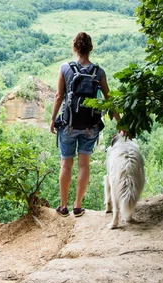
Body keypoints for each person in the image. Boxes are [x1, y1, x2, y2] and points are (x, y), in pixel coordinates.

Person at [49, 31, 121, 217]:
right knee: (84, 165)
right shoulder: (99, 72)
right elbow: (108, 98)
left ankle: (63, 207)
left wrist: (52, 119)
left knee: (66, 165)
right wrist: (121, 122)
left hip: (69, 124)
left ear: (74, 48)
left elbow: (59, 96)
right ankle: (77, 206)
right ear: (91, 49)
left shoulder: (65, 68)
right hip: (90, 127)